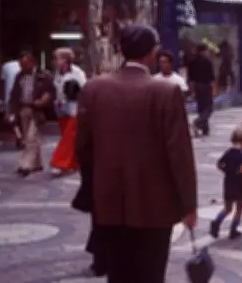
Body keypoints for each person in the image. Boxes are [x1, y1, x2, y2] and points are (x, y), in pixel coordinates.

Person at [75, 24, 197, 283]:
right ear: (152, 53)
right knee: (150, 273)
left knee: (118, 274)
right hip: (155, 204)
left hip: (110, 202)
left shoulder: (94, 89)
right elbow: (179, 153)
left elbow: (82, 147)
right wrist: (189, 204)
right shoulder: (165, 91)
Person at [8, 51, 55, 177]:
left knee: (31, 137)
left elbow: (50, 91)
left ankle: (26, 164)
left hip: (37, 109)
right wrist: (11, 110)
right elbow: (14, 94)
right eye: (20, 64)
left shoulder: (43, 75)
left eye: (24, 64)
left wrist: (43, 100)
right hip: (23, 109)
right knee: (28, 136)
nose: (22, 67)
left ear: (31, 62)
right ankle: (37, 163)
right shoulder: (19, 76)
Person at [210, 126, 242, 240]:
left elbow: (219, 164)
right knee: (239, 208)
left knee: (227, 208)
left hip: (228, 183)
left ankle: (216, 222)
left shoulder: (228, 152)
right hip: (239, 185)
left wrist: (227, 171)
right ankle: (233, 230)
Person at [50, 47, 87, 176]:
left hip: (74, 108)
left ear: (65, 59)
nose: (54, 61)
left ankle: (59, 162)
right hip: (61, 107)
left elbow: (84, 89)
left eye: (56, 58)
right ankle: (72, 163)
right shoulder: (58, 72)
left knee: (68, 137)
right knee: (69, 137)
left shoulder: (77, 72)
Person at [187, 44, 215, 136]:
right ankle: (197, 122)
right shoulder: (207, 61)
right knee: (208, 108)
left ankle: (205, 129)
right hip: (206, 86)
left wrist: (192, 90)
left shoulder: (192, 61)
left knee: (201, 107)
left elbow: (190, 78)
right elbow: (211, 78)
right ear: (204, 51)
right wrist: (214, 89)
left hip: (196, 86)